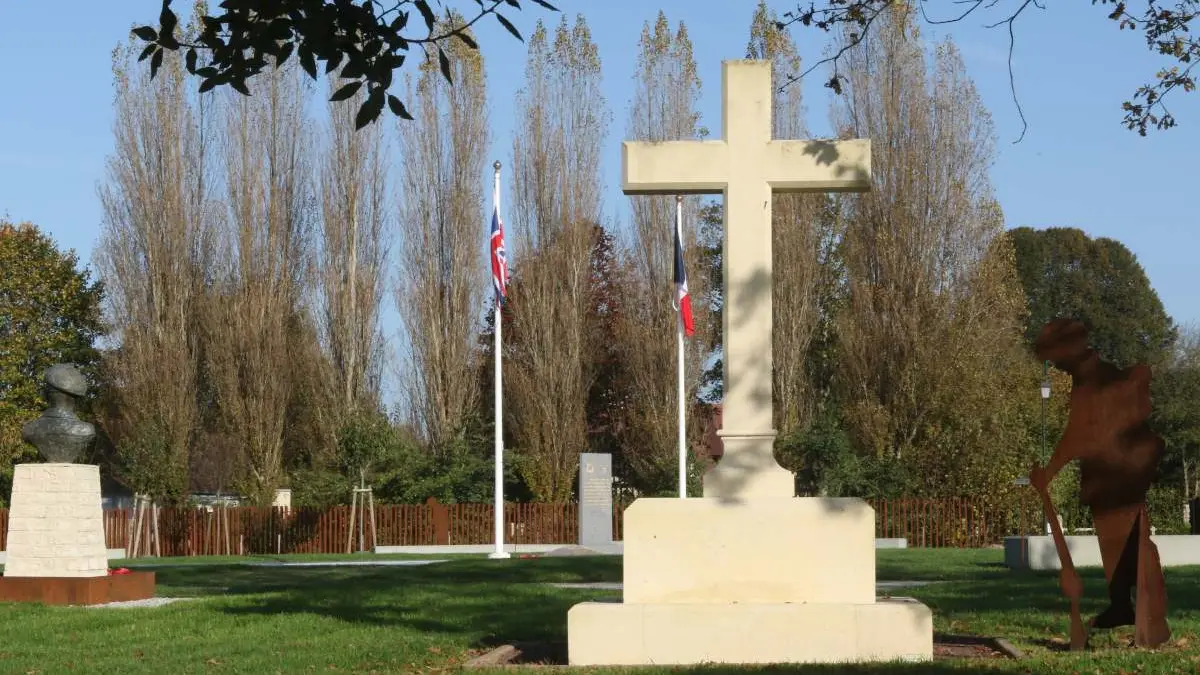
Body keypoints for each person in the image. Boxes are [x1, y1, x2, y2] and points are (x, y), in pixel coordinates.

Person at [1030, 318, 1169, 648]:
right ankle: (1122, 606)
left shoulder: (1095, 380)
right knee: (1116, 546)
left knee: (1134, 546)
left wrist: (1049, 472)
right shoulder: (1087, 380)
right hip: (1108, 478)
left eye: (1056, 357)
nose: (1057, 366)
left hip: (1120, 476)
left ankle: (1154, 625)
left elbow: (1078, 436)